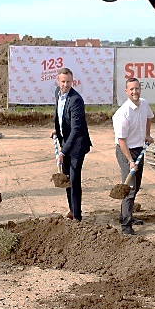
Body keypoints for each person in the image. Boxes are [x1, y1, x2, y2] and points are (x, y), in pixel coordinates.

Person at [112, 77, 154, 235]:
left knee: (136, 186)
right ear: (126, 92)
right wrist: (130, 161)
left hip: (139, 149)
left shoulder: (144, 103)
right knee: (129, 188)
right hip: (126, 152)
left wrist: (147, 135)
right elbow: (121, 141)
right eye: (131, 89)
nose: (135, 92)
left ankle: (126, 214)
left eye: (137, 88)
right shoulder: (122, 114)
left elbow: (149, 117)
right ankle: (126, 225)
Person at [53, 68, 93, 221]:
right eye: (63, 81)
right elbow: (61, 117)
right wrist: (57, 131)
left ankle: (77, 216)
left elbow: (76, 129)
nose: (65, 84)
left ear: (72, 81)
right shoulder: (58, 94)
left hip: (77, 145)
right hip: (65, 141)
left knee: (74, 179)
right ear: (58, 81)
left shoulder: (76, 99)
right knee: (66, 179)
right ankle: (72, 210)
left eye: (68, 82)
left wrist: (63, 152)